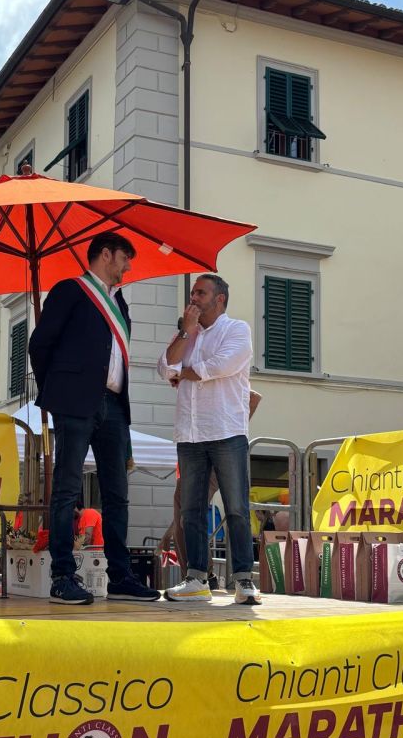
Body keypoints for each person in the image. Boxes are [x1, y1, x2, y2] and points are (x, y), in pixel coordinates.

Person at [29, 231, 160, 605]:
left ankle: (120, 577)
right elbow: (40, 344)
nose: (128, 267)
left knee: (118, 494)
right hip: (74, 401)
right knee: (67, 488)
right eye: (125, 258)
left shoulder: (120, 303)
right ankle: (62, 577)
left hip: (115, 404)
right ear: (106, 254)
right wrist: (55, 391)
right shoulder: (70, 290)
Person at [157, 274, 260, 605]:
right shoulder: (187, 334)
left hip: (226, 431)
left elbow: (221, 366)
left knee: (237, 507)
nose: (193, 298)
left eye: (200, 293)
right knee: (191, 510)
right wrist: (185, 334)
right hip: (190, 434)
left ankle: (243, 580)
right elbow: (164, 367)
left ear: (220, 299)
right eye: (192, 293)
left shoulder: (237, 329)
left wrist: (184, 373)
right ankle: (197, 579)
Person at [159, 389, 261, 587]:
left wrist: (229, 433)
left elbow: (254, 397)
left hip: (214, 451)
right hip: (192, 450)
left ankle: (205, 575)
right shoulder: (192, 390)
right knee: (186, 515)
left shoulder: (218, 383)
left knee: (217, 512)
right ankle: (197, 576)